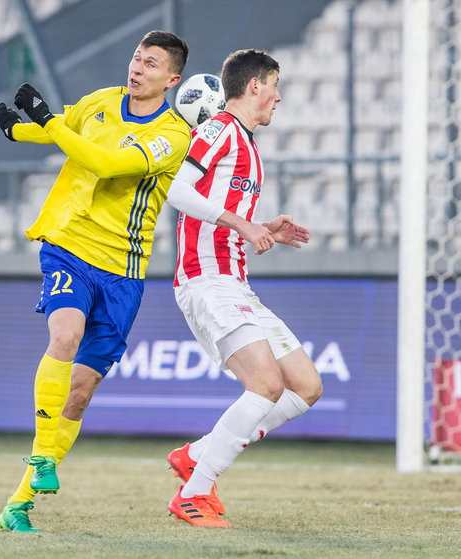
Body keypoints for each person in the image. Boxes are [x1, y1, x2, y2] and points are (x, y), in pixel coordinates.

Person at [0, 31, 282, 533]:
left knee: (80, 393)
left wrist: (41, 122)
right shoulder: (100, 103)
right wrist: (20, 132)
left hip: (124, 271)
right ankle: (41, 459)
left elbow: (105, 162)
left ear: (173, 79)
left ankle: (18, 504)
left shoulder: (174, 136)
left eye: (150, 64)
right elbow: (65, 127)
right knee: (64, 336)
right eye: (135, 58)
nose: (137, 68)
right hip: (69, 247)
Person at [165, 49, 323, 528]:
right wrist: (241, 223)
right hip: (206, 280)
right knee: (267, 385)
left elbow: (218, 212)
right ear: (254, 85)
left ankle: (198, 454)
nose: (278, 96)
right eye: (274, 84)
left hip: (234, 281)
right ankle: (193, 494)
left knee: (307, 386)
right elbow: (177, 190)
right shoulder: (218, 129)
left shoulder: (248, 144)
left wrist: (264, 229)